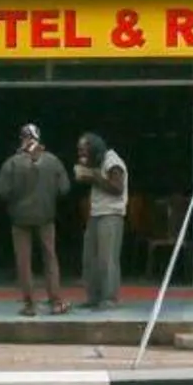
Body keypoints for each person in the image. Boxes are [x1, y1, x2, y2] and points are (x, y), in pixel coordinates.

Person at [0, 123, 71, 314]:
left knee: (23, 260)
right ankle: (56, 302)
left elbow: (3, 192)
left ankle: (30, 305)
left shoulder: (11, 163)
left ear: (22, 139)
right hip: (46, 217)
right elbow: (64, 189)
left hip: (19, 219)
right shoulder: (53, 161)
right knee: (50, 258)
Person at [74, 133, 130, 310]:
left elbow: (117, 188)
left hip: (111, 214)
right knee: (90, 258)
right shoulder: (98, 163)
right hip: (96, 213)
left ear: (94, 149)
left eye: (84, 150)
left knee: (107, 259)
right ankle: (94, 296)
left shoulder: (113, 163)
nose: (81, 153)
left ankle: (110, 298)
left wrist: (93, 177)